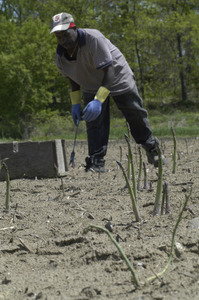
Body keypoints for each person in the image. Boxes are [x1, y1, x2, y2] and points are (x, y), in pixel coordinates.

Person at [50, 12, 165, 172]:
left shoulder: (93, 39)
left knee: (134, 114)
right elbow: (72, 76)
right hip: (91, 83)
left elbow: (109, 70)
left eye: (65, 34)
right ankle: (96, 162)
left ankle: (152, 148)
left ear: (74, 28)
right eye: (58, 36)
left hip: (117, 77)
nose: (63, 40)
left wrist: (98, 101)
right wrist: (75, 103)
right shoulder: (60, 55)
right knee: (94, 123)